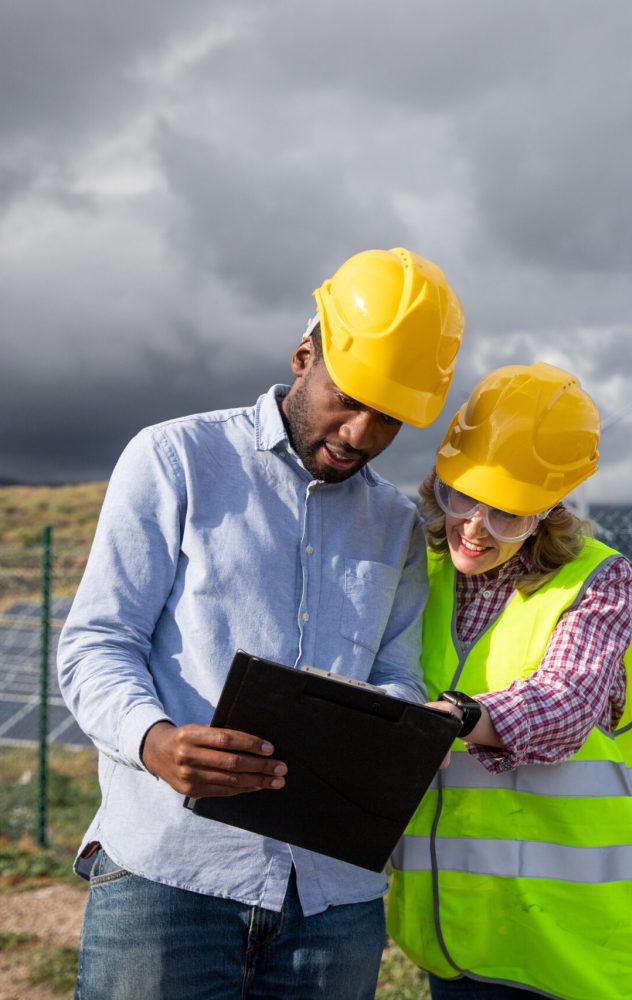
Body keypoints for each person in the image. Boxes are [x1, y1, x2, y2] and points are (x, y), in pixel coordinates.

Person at [57, 247, 465, 1000]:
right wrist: (156, 743)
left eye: (392, 419)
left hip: (332, 902)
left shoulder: (400, 526)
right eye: (349, 399)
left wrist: (398, 729)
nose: (361, 433)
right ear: (304, 355)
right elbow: (97, 643)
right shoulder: (174, 460)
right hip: (171, 878)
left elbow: (399, 676)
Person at [387, 362, 632, 1000]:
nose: (474, 528)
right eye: (461, 497)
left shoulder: (600, 582)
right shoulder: (416, 571)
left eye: (507, 514)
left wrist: (458, 716)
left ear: (547, 512)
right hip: (456, 935)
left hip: (568, 951)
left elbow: (566, 703)